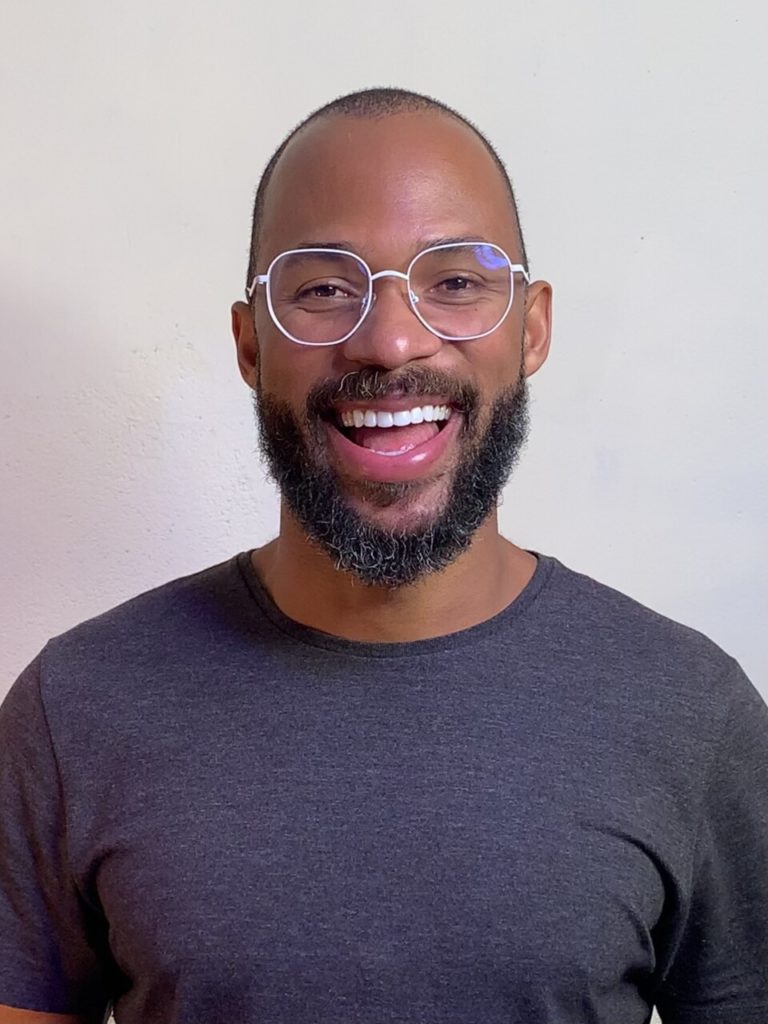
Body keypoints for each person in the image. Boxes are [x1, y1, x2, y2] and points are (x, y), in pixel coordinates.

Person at [0, 87, 766, 1024]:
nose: (392, 340)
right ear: (249, 344)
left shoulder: (692, 714)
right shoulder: (74, 711)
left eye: (456, 281)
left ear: (532, 328)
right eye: (323, 288)